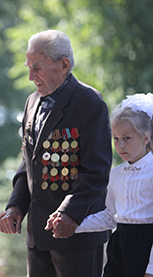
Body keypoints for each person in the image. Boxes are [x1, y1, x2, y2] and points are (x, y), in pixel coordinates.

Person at [0, 29, 112, 277]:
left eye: (37, 67)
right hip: (37, 235)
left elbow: (97, 170)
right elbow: (29, 161)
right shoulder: (31, 102)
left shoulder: (90, 102)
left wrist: (69, 212)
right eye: (28, 67)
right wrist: (15, 206)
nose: (30, 76)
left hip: (76, 233)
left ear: (64, 65)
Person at [58, 93, 153, 277]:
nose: (120, 145)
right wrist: (73, 225)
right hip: (118, 245)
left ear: (145, 138)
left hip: (146, 247)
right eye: (116, 139)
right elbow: (110, 216)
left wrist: (151, 269)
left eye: (127, 138)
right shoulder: (116, 173)